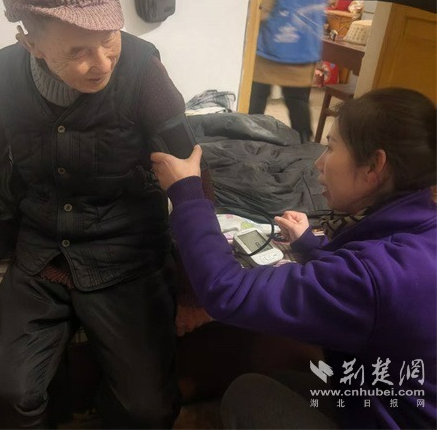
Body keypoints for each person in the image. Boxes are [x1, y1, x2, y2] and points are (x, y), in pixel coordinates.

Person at [0, 0, 212, 427]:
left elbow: (192, 176)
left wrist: (194, 288)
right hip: (42, 254)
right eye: (78, 51)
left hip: (127, 254)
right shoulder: (2, 72)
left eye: (109, 39)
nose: (101, 63)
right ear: (31, 44)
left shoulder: (142, 69)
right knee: (3, 392)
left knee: (147, 411)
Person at [151, 88, 436, 429]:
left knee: (248, 394)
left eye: (331, 147)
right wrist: (310, 247)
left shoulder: (375, 277)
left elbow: (228, 290)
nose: (318, 163)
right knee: (288, 382)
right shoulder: (421, 229)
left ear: (374, 166)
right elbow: (366, 279)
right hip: (393, 397)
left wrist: (187, 193)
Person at [249, 0, 328, 143]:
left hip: (271, 48)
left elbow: (261, 10)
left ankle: (248, 144)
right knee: (299, 105)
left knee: (255, 104)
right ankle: (305, 148)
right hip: (305, 47)